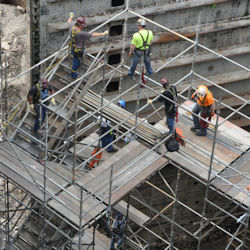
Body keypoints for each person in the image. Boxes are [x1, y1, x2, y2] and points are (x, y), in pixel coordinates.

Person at [68, 12, 109, 79]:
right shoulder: (81, 34)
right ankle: (73, 75)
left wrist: (71, 16)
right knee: (76, 63)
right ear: (80, 25)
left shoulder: (72, 26)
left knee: (78, 55)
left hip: (73, 47)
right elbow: (93, 34)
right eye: (83, 24)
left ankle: (81, 57)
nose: (84, 25)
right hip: (78, 51)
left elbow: (69, 21)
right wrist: (103, 33)